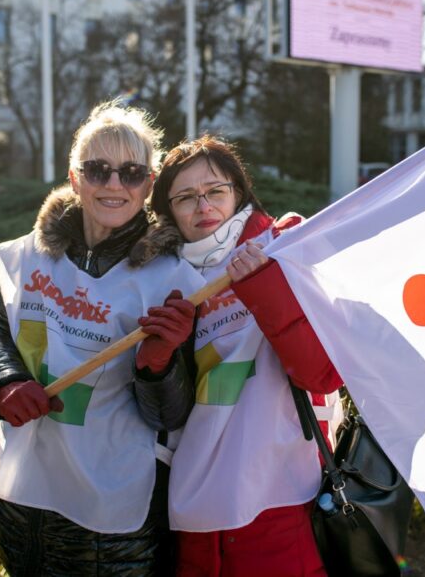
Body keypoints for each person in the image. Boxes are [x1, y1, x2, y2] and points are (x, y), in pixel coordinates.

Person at [0, 102, 205, 576]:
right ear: (75, 178)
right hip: (28, 497)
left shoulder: (174, 278)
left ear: (150, 183)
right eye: (97, 170)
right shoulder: (30, 255)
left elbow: (170, 416)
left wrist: (158, 365)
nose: (114, 185)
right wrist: (5, 381)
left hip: (113, 513)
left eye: (131, 172)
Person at [148, 136, 343, 576]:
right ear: (168, 212)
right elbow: (165, 410)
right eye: (185, 197)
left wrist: (262, 284)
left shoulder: (284, 243)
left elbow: (323, 374)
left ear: (238, 191)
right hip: (194, 504)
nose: (204, 206)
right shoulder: (161, 278)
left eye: (215, 190)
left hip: (280, 496)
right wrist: (154, 363)